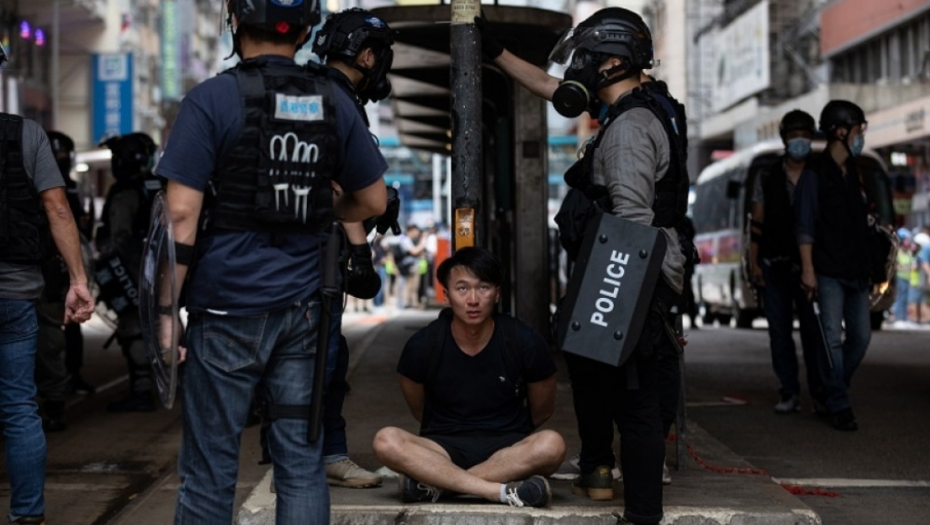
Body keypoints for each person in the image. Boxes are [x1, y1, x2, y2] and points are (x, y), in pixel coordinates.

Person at [156, 0, 387, 522]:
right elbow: (372, 202)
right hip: (307, 311)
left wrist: (167, 313)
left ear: (234, 21)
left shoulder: (210, 99)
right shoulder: (334, 100)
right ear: (306, 29)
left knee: (211, 465)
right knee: (301, 462)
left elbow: (181, 217)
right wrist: (327, 206)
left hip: (224, 310)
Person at [482, 9, 689, 521]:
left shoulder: (629, 128)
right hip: (629, 269)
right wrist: (497, 53)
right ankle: (598, 466)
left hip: (631, 272)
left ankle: (642, 513)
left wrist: (615, 304)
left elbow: (632, 220)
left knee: (636, 398)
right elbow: (558, 90)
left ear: (614, 61)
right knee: (596, 374)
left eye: (588, 60)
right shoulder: (641, 104)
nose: (580, 69)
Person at [372, 247, 564, 508]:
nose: (473, 299)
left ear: (496, 293)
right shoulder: (423, 344)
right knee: (386, 440)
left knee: (552, 444)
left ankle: (437, 487)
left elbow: (542, 410)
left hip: (507, 449)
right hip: (440, 449)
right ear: (446, 295)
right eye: (462, 288)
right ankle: (498, 492)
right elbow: (419, 407)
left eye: (483, 288)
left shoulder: (524, 341)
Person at [0, 69, 96, 524]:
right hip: (16, 293)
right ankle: (27, 515)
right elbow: (57, 207)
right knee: (19, 405)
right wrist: (78, 279)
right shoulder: (26, 135)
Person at [311, 6, 396, 489]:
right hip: (312, 261)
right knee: (321, 360)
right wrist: (360, 249)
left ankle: (316, 453)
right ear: (367, 56)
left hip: (267, 259)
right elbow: (351, 189)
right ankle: (317, 458)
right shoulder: (338, 100)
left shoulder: (305, 89)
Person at [795, 100, 872, 431]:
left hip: (856, 271)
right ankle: (839, 404)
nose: (860, 138)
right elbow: (805, 226)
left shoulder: (855, 172)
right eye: (857, 131)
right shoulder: (814, 174)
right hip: (826, 271)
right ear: (840, 132)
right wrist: (808, 269)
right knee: (832, 340)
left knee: (861, 336)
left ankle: (831, 387)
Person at [747, 110, 824, 414]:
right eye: (794, 136)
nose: (800, 141)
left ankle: (820, 393)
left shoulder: (819, 174)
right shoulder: (767, 175)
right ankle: (789, 391)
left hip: (812, 268)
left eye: (805, 135)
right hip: (773, 264)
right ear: (784, 139)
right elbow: (757, 222)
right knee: (779, 333)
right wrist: (754, 263)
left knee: (814, 333)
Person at [95, 132, 160, 413]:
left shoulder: (126, 192)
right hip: (161, 270)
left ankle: (142, 390)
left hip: (133, 270)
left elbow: (117, 238)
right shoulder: (158, 185)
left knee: (133, 329)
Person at [34, 130, 91, 432]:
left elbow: (72, 224)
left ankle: (56, 401)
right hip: (39, 273)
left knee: (51, 340)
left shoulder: (66, 190)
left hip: (48, 274)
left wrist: (77, 277)